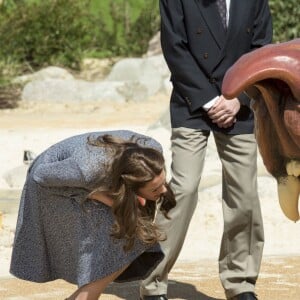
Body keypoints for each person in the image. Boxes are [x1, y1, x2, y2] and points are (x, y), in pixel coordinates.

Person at [140, 1, 273, 300]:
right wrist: (211, 101)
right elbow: (175, 48)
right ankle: (152, 282)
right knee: (183, 188)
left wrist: (238, 98)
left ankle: (241, 283)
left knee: (245, 195)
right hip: (192, 102)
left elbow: (261, 50)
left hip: (240, 105)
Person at [10, 130, 176, 300]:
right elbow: (40, 176)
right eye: (155, 189)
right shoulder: (86, 171)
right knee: (123, 237)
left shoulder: (152, 153)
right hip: (52, 185)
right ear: (130, 186)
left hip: (92, 178)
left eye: (163, 183)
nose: (163, 191)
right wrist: (95, 194)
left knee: (136, 235)